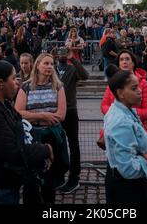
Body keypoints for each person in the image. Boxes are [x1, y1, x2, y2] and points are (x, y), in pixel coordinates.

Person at [0, 60, 53, 204]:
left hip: (4, 187)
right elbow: (13, 151)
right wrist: (45, 150)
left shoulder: (3, 105)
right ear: (0, 83)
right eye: (13, 78)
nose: (17, 83)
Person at [104, 70, 147, 205]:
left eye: (138, 86)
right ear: (120, 93)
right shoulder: (120, 120)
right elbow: (128, 169)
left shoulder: (124, 110)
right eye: (134, 88)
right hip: (127, 189)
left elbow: (129, 140)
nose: (139, 91)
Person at [15, 53, 67, 204]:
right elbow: (18, 112)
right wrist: (43, 116)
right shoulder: (26, 86)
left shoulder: (58, 86)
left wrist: (34, 115)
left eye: (51, 64)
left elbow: (61, 114)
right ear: (37, 65)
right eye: (46, 63)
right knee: (31, 177)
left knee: (49, 179)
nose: (49, 67)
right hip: (32, 136)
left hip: (51, 136)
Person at [52, 46, 89, 194]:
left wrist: (73, 58)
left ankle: (75, 177)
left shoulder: (72, 69)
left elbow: (85, 75)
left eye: (64, 53)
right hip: (54, 110)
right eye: (59, 54)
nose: (62, 56)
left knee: (74, 145)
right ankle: (59, 174)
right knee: (57, 144)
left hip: (71, 109)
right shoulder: (51, 69)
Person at [101, 49, 147, 132]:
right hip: (115, 129)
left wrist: (127, 113)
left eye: (127, 59)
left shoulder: (144, 84)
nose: (124, 62)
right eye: (121, 60)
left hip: (137, 131)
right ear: (118, 64)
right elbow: (104, 105)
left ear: (133, 63)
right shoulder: (113, 83)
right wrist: (117, 113)